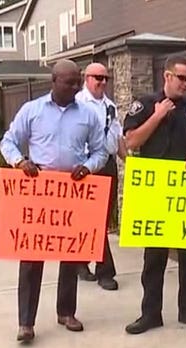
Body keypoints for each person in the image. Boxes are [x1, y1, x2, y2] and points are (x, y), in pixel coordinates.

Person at [0, 60, 108, 343]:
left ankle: (66, 312)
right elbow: (8, 142)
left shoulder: (87, 115)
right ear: (54, 81)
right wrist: (20, 161)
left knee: (71, 257)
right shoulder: (32, 111)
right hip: (39, 194)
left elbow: (100, 151)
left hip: (72, 193)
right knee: (32, 261)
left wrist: (89, 167)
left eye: (78, 82)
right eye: (69, 82)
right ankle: (26, 322)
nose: (75, 87)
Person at [123, 56, 186, 335]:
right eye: (181, 78)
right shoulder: (145, 104)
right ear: (167, 76)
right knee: (154, 258)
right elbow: (131, 141)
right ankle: (150, 313)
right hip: (155, 192)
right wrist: (158, 115)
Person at [76, 62, 125, 291]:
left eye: (106, 78)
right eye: (98, 77)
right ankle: (105, 271)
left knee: (102, 219)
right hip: (85, 167)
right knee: (91, 219)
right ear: (87, 78)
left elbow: (118, 138)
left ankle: (80, 262)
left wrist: (129, 161)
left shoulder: (110, 106)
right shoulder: (76, 104)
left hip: (108, 165)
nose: (103, 82)